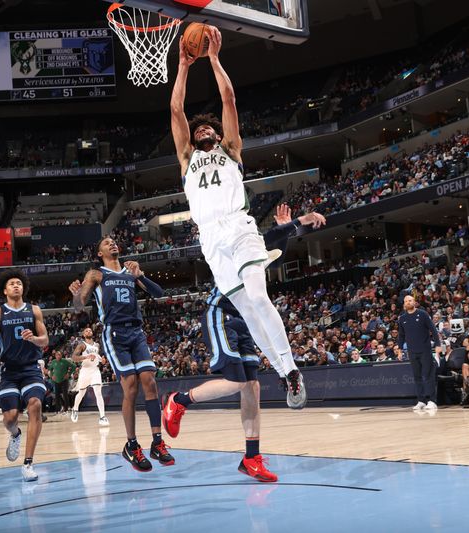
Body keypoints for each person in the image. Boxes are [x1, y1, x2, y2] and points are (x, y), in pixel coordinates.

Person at [170, 25, 311, 408]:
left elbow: (229, 98)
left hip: (238, 225)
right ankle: (284, 374)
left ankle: (292, 369)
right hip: (210, 239)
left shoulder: (230, 149)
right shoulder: (187, 159)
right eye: (197, 129)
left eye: (207, 127)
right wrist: (183, 66)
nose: (201, 129)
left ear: (216, 134)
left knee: (258, 296)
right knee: (248, 312)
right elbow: (175, 110)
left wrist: (213, 59)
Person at [162, 204, 323, 482]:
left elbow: (272, 251)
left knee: (252, 386)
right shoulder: (240, 241)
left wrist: (286, 230)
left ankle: (251, 457)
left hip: (245, 318)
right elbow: (268, 237)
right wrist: (296, 222)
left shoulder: (257, 254)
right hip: (221, 312)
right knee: (238, 382)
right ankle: (179, 401)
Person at [68, 237, 175, 472]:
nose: (112, 244)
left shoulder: (130, 270)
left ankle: (157, 442)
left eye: (114, 241)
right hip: (115, 334)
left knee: (150, 382)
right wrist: (76, 293)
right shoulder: (96, 274)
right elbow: (78, 305)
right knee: (131, 387)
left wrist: (141, 276)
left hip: (136, 332)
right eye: (106, 242)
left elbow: (159, 293)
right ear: (99, 253)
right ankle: (132, 445)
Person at [0, 268, 49, 481]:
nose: (16, 285)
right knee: (10, 418)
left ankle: (28, 464)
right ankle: (15, 434)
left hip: (31, 368)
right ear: (5, 290)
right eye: (12, 283)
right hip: (9, 372)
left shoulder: (34, 310)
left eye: (19, 283)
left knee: (35, 404)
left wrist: (34, 338)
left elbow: (45, 341)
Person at [397, 295, 443, 411]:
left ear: (415, 302)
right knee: (417, 377)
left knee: (428, 375)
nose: (408, 302)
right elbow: (401, 336)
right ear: (404, 303)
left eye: (410, 300)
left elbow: (433, 330)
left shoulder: (422, 314)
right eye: (406, 301)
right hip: (412, 352)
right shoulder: (402, 318)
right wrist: (399, 350)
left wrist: (438, 345)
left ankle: (432, 400)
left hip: (425, 350)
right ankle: (421, 400)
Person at [70, 327, 109, 426]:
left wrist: (102, 361)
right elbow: (74, 357)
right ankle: (75, 409)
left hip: (95, 370)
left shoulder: (97, 345)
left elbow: (97, 356)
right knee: (81, 392)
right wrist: (85, 357)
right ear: (83, 334)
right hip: (85, 370)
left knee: (98, 392)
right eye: (86, 331)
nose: (89, 331)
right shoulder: (81, 345)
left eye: (90, 330)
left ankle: (102, 417)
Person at [48, 350, 75, 415]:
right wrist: (52, 376)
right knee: (57, 395)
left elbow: (73, 366)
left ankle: (66, 409)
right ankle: (58, 410)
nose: (58, 356)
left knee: (65, 395)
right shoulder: (53, 362)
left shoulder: (65, 361)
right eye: (57, 355)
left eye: (59, 355)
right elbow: (50, 369)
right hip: (56, 381)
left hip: (64, 380)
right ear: (55, 356)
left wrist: (69, 373)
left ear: (61, 355)